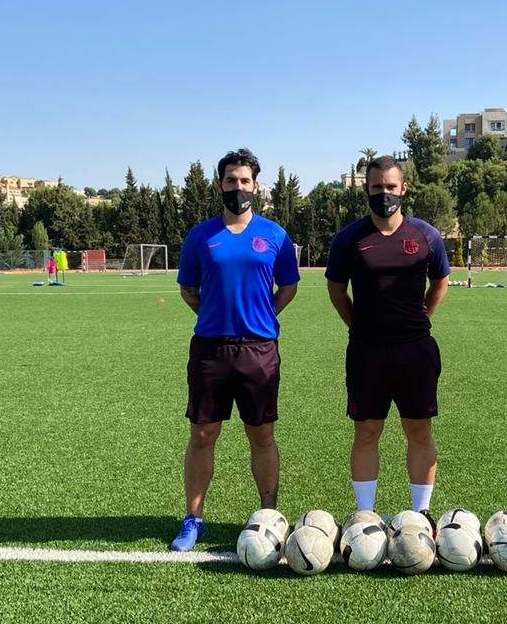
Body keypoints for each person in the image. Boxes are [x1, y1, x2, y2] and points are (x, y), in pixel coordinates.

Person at [172, 148, 300, 551]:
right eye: (231, 180)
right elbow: (188, 290)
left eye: (245, 181)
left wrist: (262, 315)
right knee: (202, 435)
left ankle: (269, 514)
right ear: (220, 185)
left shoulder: (275, 235)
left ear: (256, 186)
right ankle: (194, 519)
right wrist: (216, 314)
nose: (238, 187)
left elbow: (289, 287)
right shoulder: (200, 236)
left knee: (261, 435)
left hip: (259, 351)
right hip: (210, 351)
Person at [326, 155, 450, 520]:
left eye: (391, 186)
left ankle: (421, 513)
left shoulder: (425, 235)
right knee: (367, 432)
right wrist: (357, 325)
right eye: (377, 187)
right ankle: (365, 514)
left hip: (416, 350)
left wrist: (421, 318)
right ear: (366, 189)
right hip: (367, 352)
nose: (384, 193)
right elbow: (336, 290)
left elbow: (440, 282)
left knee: (419, 431)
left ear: (404, 189)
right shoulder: (349, 238)